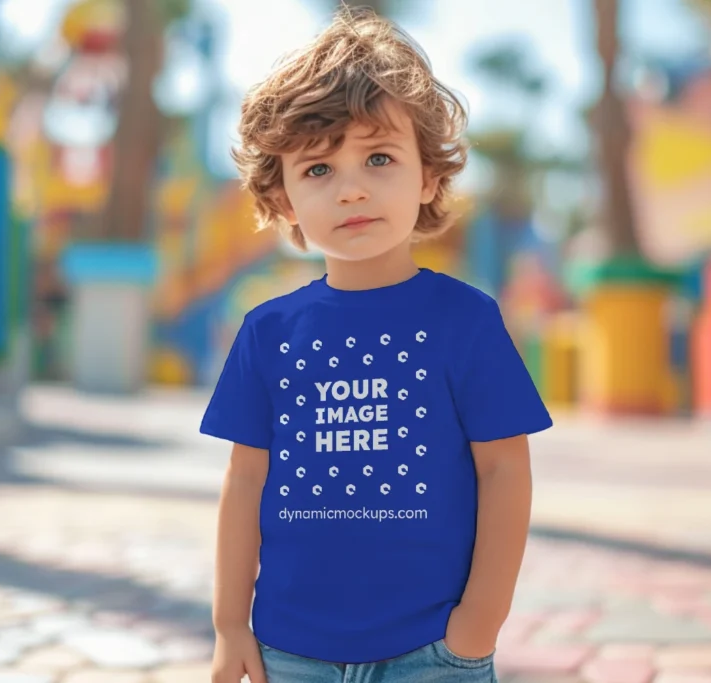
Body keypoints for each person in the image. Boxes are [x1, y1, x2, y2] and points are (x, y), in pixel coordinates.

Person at [201, 7, 553, 682]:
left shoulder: (468, 320)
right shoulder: (266, 332)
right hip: (288, 648)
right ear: (282, 202)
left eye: (380, 157)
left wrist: (479, 623)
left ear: (427, 177)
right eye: (317, 170)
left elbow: (505, 472)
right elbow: (244, 482)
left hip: (434, 649)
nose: (352, 187)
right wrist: (228, 624)